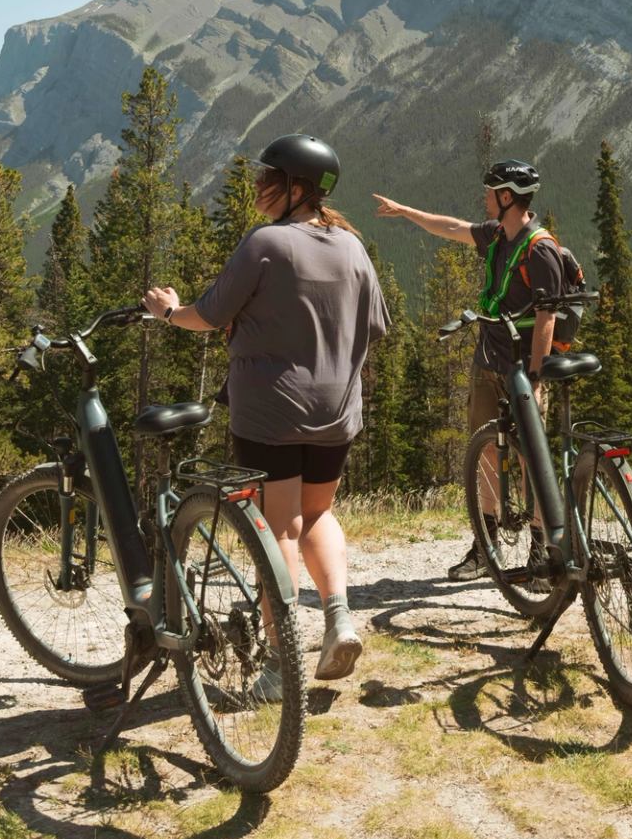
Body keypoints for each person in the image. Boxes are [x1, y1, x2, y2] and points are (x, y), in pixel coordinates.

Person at [143, 134, 390, 689]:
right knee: (318, 514)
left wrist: (166, 311)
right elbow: (375, 326)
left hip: (271, 411)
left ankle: (281, 663)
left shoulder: (267, 243)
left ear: (295, 188)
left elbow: (207, 315)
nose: (257, 185)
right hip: (337, 412)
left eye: (268, 177)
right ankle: (339, 619)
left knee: (280, 525)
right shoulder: (352, 247)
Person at [372, 160, 564, 580]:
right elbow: (451, 227)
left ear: (507, 197)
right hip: (488, 361)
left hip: (523, 368)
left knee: (533, 457)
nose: (484, 197)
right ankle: (485, 546)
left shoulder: (541, 248)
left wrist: (535, 374)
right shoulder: (497, 235)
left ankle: (539, 549)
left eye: (490, 191)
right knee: (485, 455)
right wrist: (405, 211)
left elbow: (547, 316)